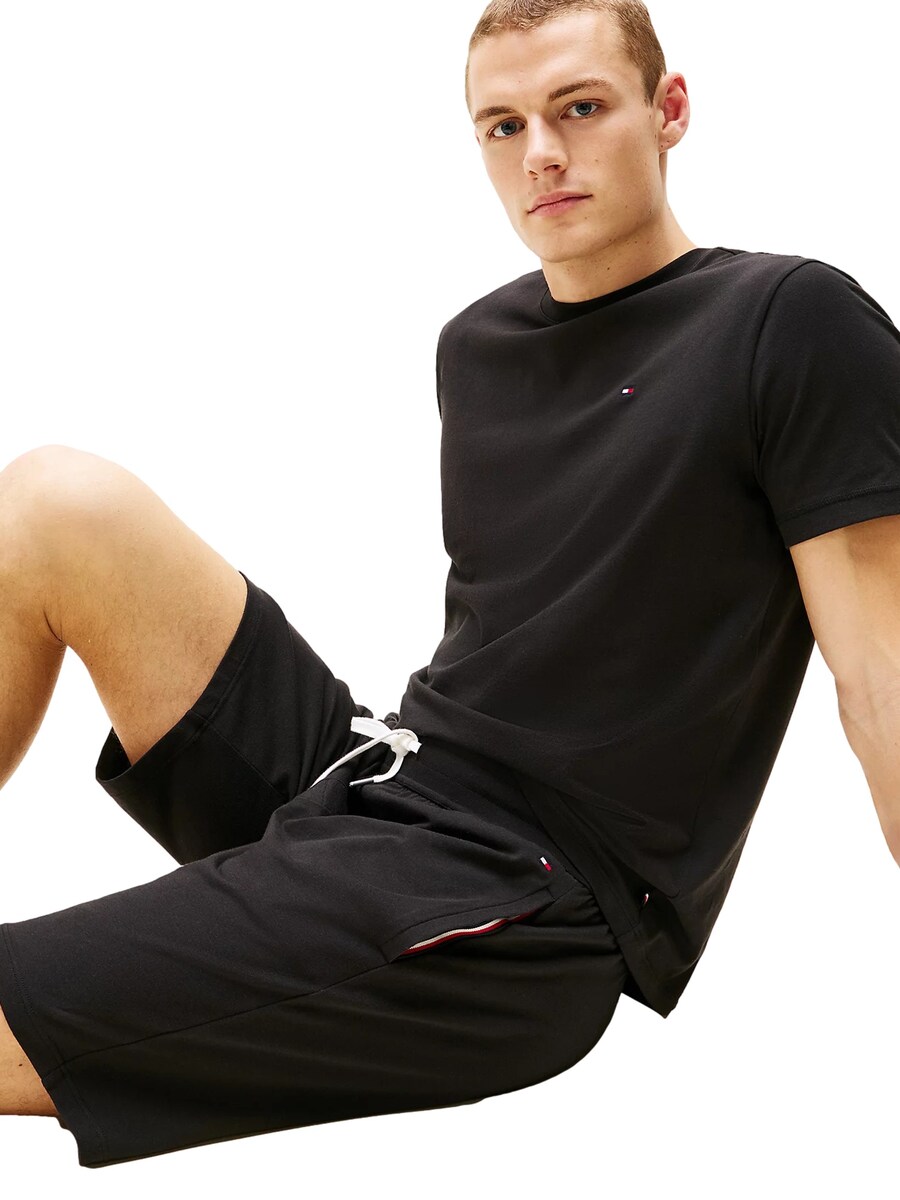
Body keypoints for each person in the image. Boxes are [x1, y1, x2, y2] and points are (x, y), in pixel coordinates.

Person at [2, 0, 900, 1169]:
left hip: (523, 903)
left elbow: (879, 675)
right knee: (57, 500)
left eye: (580, 108)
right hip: (383, 784)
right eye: (503, 125)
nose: (541, 154)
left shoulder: (789, 321)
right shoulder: (477, 346)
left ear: (669, 109)